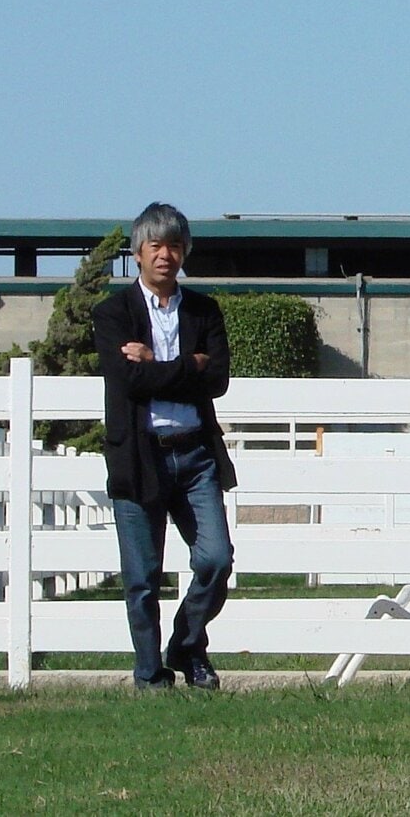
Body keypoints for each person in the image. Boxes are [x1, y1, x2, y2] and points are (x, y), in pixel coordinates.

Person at [93, 202, 236, 690]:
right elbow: (129, 380)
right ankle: (151, 675)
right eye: (155, 245)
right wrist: (186, 365)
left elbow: (217, 380)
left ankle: (187, 644)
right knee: (142, 579)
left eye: (175, 245)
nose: (165, 255)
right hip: (139, 455)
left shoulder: (203, 310)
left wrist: (160, 363)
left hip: (196, 455)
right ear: (137, 252)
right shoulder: (113, 313)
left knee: (216, 559)